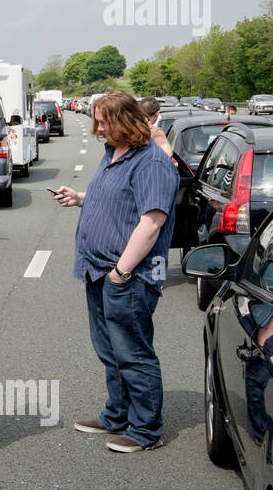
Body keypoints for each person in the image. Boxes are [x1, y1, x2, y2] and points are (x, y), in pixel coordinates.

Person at [52, 91, 178, 452]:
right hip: (97, 271)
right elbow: (112, 199)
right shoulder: (114, 154)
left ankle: (144, 430)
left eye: (105, 120)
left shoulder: (151, 162)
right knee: (109, 348)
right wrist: (78, 198)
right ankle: (116, 415)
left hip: (128, 276)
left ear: (127, 120)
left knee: (133, 352)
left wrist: (121, 272)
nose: (98, 127)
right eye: (97, 119)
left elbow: (152, 221)